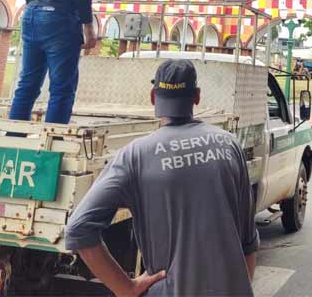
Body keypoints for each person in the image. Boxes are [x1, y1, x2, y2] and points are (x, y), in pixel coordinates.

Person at [64, 59, 258, 297]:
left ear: (153, 98)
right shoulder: (229, 145)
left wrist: (126, 288)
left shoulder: (136, 155)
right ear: (196, 97)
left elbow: (78, 230)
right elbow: (248, 241)